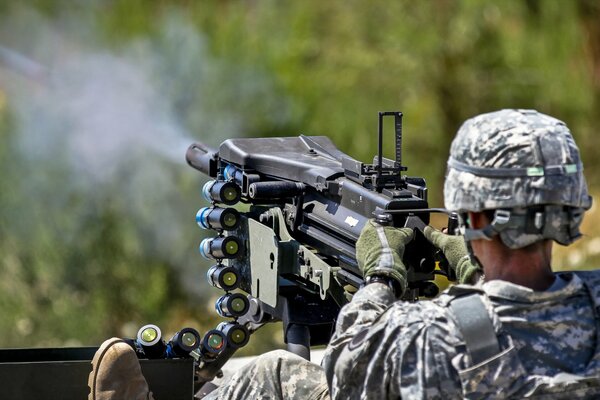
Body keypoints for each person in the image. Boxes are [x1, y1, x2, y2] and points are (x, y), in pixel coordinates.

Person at [89, 109, 600, 399]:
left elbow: (351, 362)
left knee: (268, 379)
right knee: (278, 369)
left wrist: (382, 273)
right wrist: (468, 267)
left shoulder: (430, 340)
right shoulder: (592, 311)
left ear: (473, 211)